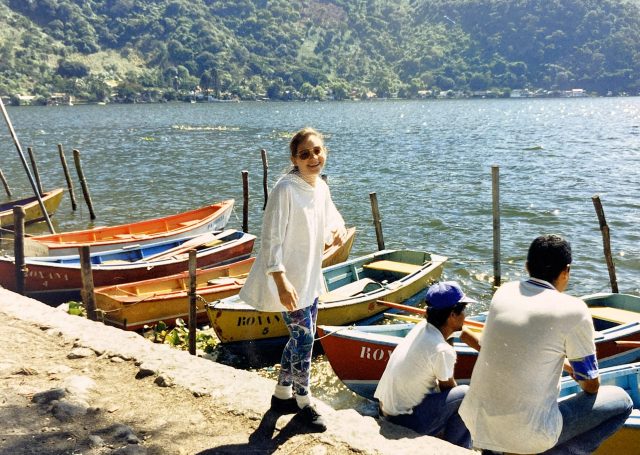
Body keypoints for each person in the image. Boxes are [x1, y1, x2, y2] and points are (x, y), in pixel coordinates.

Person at [459, 234, 633, 454]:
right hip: (528, 435)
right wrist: (575, 369)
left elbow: (510, 350)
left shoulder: (504, 292)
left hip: (478, 423)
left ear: (527, 266)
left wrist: (564, 363)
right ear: (566, 271)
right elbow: (591, 385)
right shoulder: (574, 310)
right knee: (623, 402)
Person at [238, 127, 346, 432]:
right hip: (286, 279)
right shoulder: (285, 190)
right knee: (305, 338)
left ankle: (281, 395)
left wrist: (338, 229)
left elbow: (332, 216)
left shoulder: (320, 187)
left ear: (325, 152)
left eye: (317, 151)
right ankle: (304, 401)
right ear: (294, 159)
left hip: (309, 276)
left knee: (300, 338)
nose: (313, 158)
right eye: (305, 154)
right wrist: (281, 281)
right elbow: (270, 240)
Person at [374, 281, 481, 449]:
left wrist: (486, 350)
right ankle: (458, 448)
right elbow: (449, 390)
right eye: (464, 310)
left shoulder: (424, 327)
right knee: (466, 396)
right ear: (452, 315)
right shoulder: (441, 350)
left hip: (385, 410)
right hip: (402, 420)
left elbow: (462, 331)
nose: (466, 315)